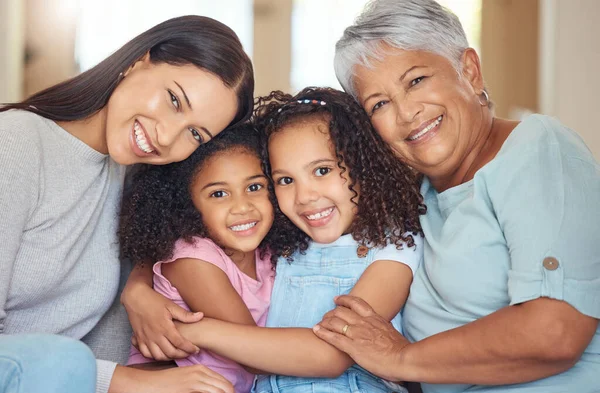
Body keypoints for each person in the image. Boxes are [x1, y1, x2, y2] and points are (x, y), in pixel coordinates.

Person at [311, 1, 600, 392]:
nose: (407, 112)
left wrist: (400, 359)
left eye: (416, 81)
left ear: (469, 70)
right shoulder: (412, 195)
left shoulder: (537, 149)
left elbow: (556, 331)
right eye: (379, 103)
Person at [0, 14, 253, 393]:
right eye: (173, 100)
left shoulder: (140, 181)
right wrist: (122, 381)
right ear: (139, 60)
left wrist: (136, 287)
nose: (167, 137)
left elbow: (106, 341)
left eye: (195, 134)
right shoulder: (16, 143)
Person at [171, 87, 426, 393]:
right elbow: (171, 251)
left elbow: (332, 354)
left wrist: (196, 331)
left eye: (322, 170)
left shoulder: (393, 243)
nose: (305, 197)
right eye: (285, 180)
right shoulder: (281, 244)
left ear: (363, 165)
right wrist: (138, 292)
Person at [119, 124, 288, 392]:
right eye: (218, 194)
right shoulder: (193, 259)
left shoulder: (270, 253)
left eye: (254, 186)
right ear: (187, 206)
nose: (242, 207)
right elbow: (257, 355)